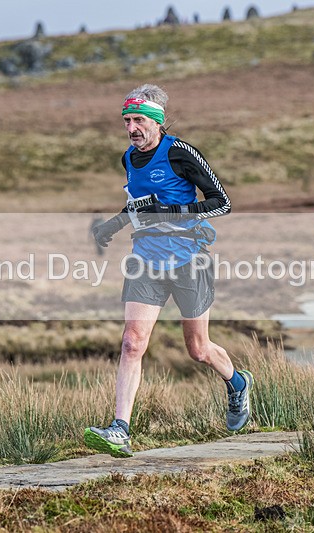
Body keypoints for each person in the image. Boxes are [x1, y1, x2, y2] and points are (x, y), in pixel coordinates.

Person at [84, 84, 252, 458]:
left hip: (190, 258)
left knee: (197, 349)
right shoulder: (128, 158)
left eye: (139, 120)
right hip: (146, 259)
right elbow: (138, 206)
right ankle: (120, 430)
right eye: (127, 121)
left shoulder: (179, 153)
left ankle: (237, 383)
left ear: (156, 122)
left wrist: (172, 213)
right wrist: (110, 226)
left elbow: (221, 203)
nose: (131, 128)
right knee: (132, 341)